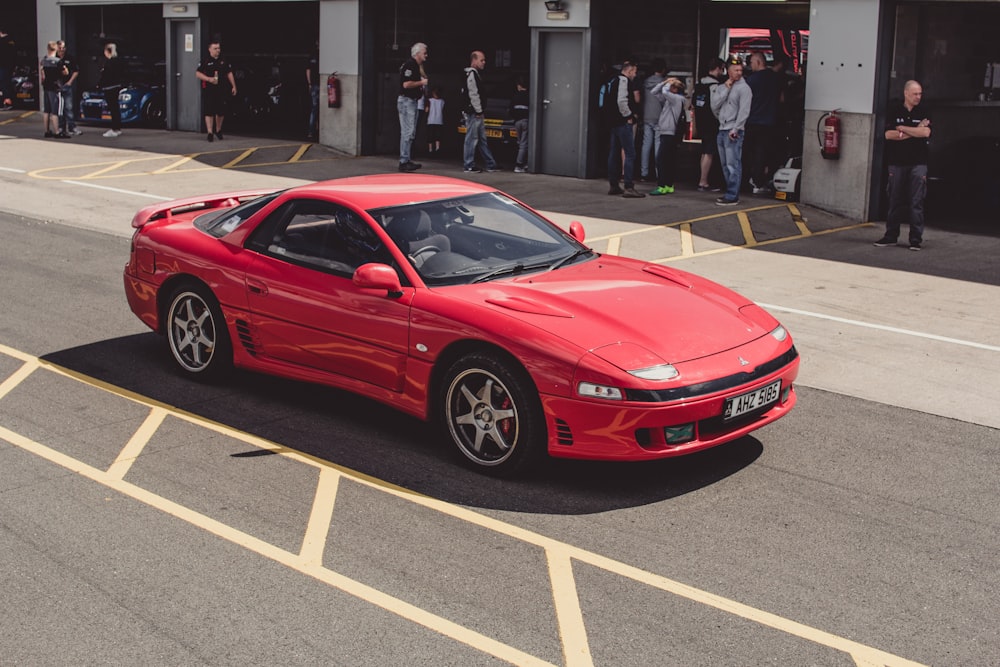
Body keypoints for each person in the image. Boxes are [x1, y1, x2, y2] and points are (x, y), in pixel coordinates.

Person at [875, 80, 931, 251]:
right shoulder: (894, 110)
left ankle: (915, 239)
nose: (918, 97)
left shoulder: (924, 110)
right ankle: (891, 236)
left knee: (916, 202)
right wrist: (915, 130)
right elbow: (889, 135)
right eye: (915, 94)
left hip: (918, 163)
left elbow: (926, 132)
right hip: (897, 163)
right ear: (906, 93)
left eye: (920, 93)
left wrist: (903, 129)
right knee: (894, 200)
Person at [711, 57, 752, 206]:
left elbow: (744, 111)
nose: (739, 73)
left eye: (741, 70)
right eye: (736, 70)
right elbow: (714, 105)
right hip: (722, 128)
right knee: (724, 164)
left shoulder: (744, 88)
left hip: (733, 130)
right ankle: (729, 191)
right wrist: (726, 89)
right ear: (728, 71)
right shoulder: (723, 87)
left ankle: (732, 195)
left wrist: (736, 128)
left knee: (732, 164)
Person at [744, 51, 783, 194]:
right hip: (769, 121)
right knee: (763, 152)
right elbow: (781, 99)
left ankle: (751, 180)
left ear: (759, 62)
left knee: (749, 152)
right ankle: (760, 180)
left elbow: (744, 100)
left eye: (752, 62)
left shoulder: (752, 80)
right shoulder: (775, 78)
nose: (750, 65)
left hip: (752, 120)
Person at [604, 60, 644, 198]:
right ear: (629, 70)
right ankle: (629, 186)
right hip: (622, 122)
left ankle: (614, 185)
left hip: (612, 122)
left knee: (614, 153)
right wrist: (628, 116)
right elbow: (621, 101)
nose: (635, 74)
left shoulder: (612, 80)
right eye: (634, 71)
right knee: (630, 153)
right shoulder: (623, 81)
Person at [461, 50, 498, 173]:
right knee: (472, 138)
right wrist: (478, 110)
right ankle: (469, 164)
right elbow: (473, 94)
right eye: (481, 60)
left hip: (476, 112)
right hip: (474, 112)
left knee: (481, 138)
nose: (484, 62)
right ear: (474, 60)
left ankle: (491, 163)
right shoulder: (472, 74)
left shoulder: (474, 74)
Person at [647, 77, 686, 196]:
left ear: (675, 89)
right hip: (667, 132)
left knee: (661, 160)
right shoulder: (671, 100)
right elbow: (654, 92)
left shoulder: (676, 98)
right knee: (668, 160)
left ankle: (662, 185)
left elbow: (663, 92)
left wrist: (667, 83)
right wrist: (664, 82)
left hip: (669, 132)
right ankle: (669, 185)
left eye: (672, 87)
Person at [693, 58, 725, 192]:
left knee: (705, 151)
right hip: (711, 123)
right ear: (717, 68)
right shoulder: (714, 86)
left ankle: (702, 179)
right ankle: (704, 181)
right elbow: (715, 106)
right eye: (722, 69)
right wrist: (721, 119)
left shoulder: (700, 84)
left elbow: (694, 104)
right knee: (709, 152)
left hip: (701, 121)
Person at [196, 40, 236, 142]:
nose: (218, 50)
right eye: (215, 48)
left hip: (222, 89)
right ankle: (210, 132)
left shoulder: (223, 60)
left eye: (219, 48)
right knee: (209, 111)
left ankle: (218, 130)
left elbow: (229, 73)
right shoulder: (205, 60)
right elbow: (198, 73)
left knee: (220, 111)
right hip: (209, 89)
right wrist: (209, 79)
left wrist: (233, 86)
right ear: (210, 49)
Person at [397, 42, 427, 172]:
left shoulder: (415, 65)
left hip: (411, 101)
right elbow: (406, 84)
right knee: (407, 131)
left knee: (410, 132)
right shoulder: (411, 65)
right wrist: (422, 82)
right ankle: (404, 161)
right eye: (424, 52)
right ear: (418, 53)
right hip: (407, 101)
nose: (426, 55)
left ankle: (407, 159)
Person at [639, 58, 666, 183]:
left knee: (646, 145)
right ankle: (658, 172)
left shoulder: (645, 82)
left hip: (647, 115)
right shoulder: (664, 84)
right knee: (658, 145)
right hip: (659, 116)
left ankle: (643, 172)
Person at [39, 41, 68, 138]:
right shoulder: (58, 61)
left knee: (46, 110)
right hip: (55, 87)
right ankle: (57, 132)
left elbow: (42, 73)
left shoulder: (44, 60)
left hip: (46, 87)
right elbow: (65, 72)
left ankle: (47, 131)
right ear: (56, 49)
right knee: (55, 111)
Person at [97, 42, 124, 138]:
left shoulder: (109, 63)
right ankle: (118, 128)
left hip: (109, 88)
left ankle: (114, 128)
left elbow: (105, 76)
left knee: (113, 108)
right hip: (116, 86)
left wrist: (99, 84)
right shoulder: (119, 61)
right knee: (115, 108)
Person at [56, 40, 81, 136]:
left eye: (63, 48)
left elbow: (76, 71)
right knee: (59, 109)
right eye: (60, 48)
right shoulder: (54, 58)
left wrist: (70, 82)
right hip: (56, 87)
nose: (62, 50)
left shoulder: (70, 58)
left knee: (69, 107)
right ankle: (61, 127)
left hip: (67, 86)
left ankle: (72, 127)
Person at [510, 76, 529, 172]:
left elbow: (511, 110)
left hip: (517, 122)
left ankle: (520, 164)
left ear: (519, 86)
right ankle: (519, 165)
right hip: (525, 121)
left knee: (519, 143)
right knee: (524, 144)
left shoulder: (515, 96)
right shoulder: (529, 96)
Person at [305, 41, 319, 139]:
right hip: (321, 84)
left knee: (314, 109)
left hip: (314, 85)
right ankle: (318, 129)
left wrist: (309, 83)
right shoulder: (324, 55)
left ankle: (311, 132)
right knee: (321, 109)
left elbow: (308, 70)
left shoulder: (311, 56)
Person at [425, 85, 444, 154]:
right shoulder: (442, 101)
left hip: (431, 120)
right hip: (439, 120)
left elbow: (426, 110)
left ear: (433, 93)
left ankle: (430, 149)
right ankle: (437, 148)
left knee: (430, 135)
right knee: (438, 135)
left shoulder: (430, 100)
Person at [0, 27, 15, 109]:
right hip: (10, 66)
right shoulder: (12, 41)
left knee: (3, 83)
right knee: (8, 83)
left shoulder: (2, 41)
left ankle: (7, 101)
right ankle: (8, 101)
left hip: (2, 65)